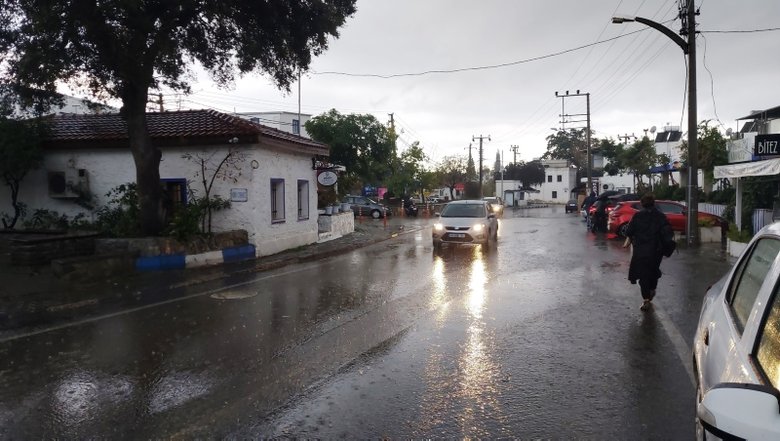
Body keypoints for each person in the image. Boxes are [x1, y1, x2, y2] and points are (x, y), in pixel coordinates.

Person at [624, 193, 673, 311]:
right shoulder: (661, 216)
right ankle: (652, 289)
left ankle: (646, 298)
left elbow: (629, 231)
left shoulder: (637, 216)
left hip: (641, 250)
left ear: (642, 204)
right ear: (653, 203)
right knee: (653, 271)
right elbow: (668, 233)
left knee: (643, 275)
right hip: (656, 251)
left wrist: (630, 239)